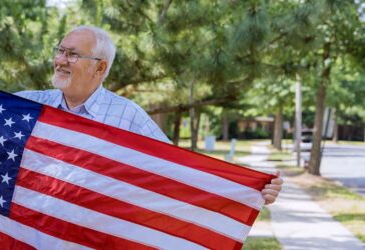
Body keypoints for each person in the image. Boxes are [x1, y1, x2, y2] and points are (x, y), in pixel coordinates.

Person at [15, 25, 283, 205]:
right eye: (60, 51)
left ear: (100, 68)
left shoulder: (128, 116)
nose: (60, 60)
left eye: (72, 55)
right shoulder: (25, 105)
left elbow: (177, 174)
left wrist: (249, 190)